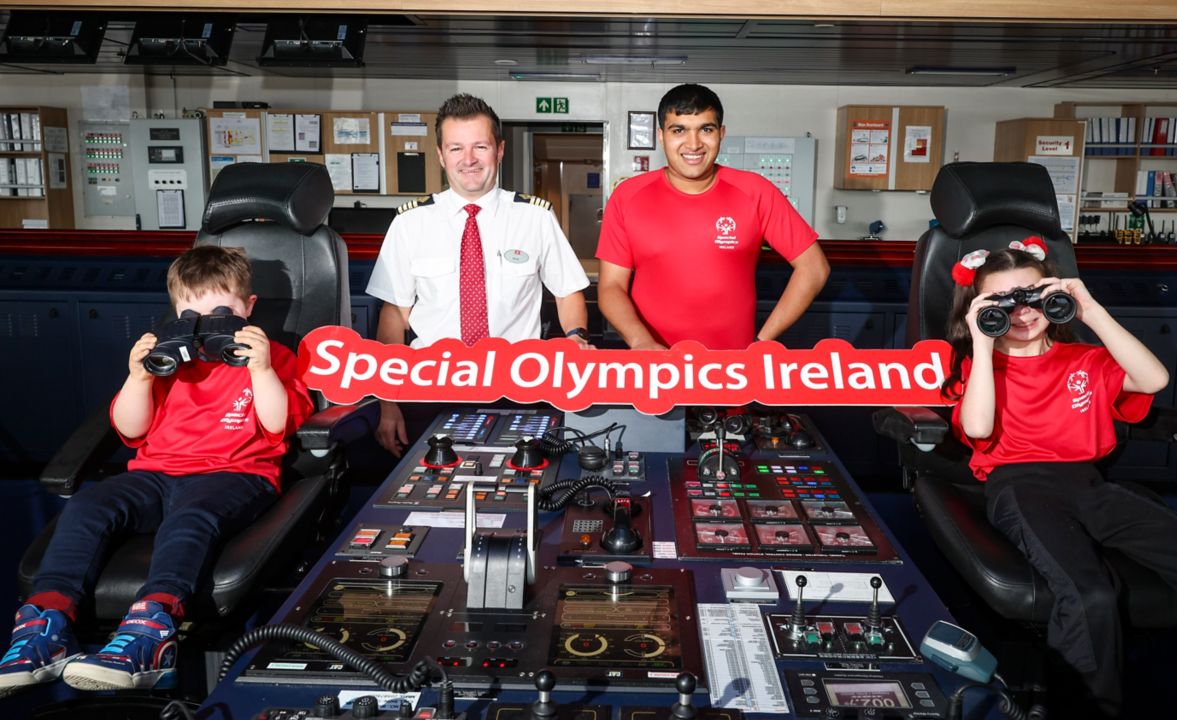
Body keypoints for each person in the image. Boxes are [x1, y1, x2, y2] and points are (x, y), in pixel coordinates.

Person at [943, 239, 1177, 720]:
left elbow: (1152, 380)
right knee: (1089, 595)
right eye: (1004, 301)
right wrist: (982, 343)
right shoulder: (980, 368)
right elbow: (980, 428)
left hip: (1091, 485)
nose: (1023, 313)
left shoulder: (1083, 361)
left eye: (1032, 296)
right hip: (1020, 486)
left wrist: (1089, 310)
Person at [0, 245, 313, 695]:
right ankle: (44, 625)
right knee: (89, 505)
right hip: (155, 473)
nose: (205, 326)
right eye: (192, 314)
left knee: (191, 518)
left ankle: (152, 630)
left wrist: (260, 368)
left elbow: (277, 423)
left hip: (235, 474)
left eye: (221, 312)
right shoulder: (168, 362)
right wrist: (139, 376)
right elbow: (130, 427)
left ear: (248, 308)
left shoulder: (276, 357)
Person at [366, 93, 592, 456]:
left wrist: (576, 336)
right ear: (441, 155)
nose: (468, 160)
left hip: (520, 388)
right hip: (430, 388)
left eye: (480, 147)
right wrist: (389, 402)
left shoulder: (534, 218)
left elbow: (567, 293)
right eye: (456, 148)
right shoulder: (410, 223)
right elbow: (394, 315)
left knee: (520, 494)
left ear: (499, 151)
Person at [596, 83, 829, 351]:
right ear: (661, 136)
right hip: (654, 364)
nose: (693, 144)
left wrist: (761, 342)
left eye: (705, 129)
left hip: (733, 368)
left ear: (721, 133)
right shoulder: (628, 196)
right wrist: (641, 342)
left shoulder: (755, 191)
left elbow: (814, 268)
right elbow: (611, 286)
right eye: (679, 130)